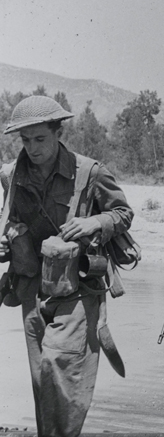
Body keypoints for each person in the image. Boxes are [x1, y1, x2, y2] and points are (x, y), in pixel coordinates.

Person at [0, 96, 134, 436]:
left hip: (78, 286)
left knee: (62, 367)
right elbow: (11, 219)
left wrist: (95, 224)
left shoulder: (90, 172)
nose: (32, 148)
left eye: (40, 139)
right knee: (41, 378)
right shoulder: (11, 175)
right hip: (31, 286)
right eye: (25, 140)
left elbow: (123, 214)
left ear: (57, 132)